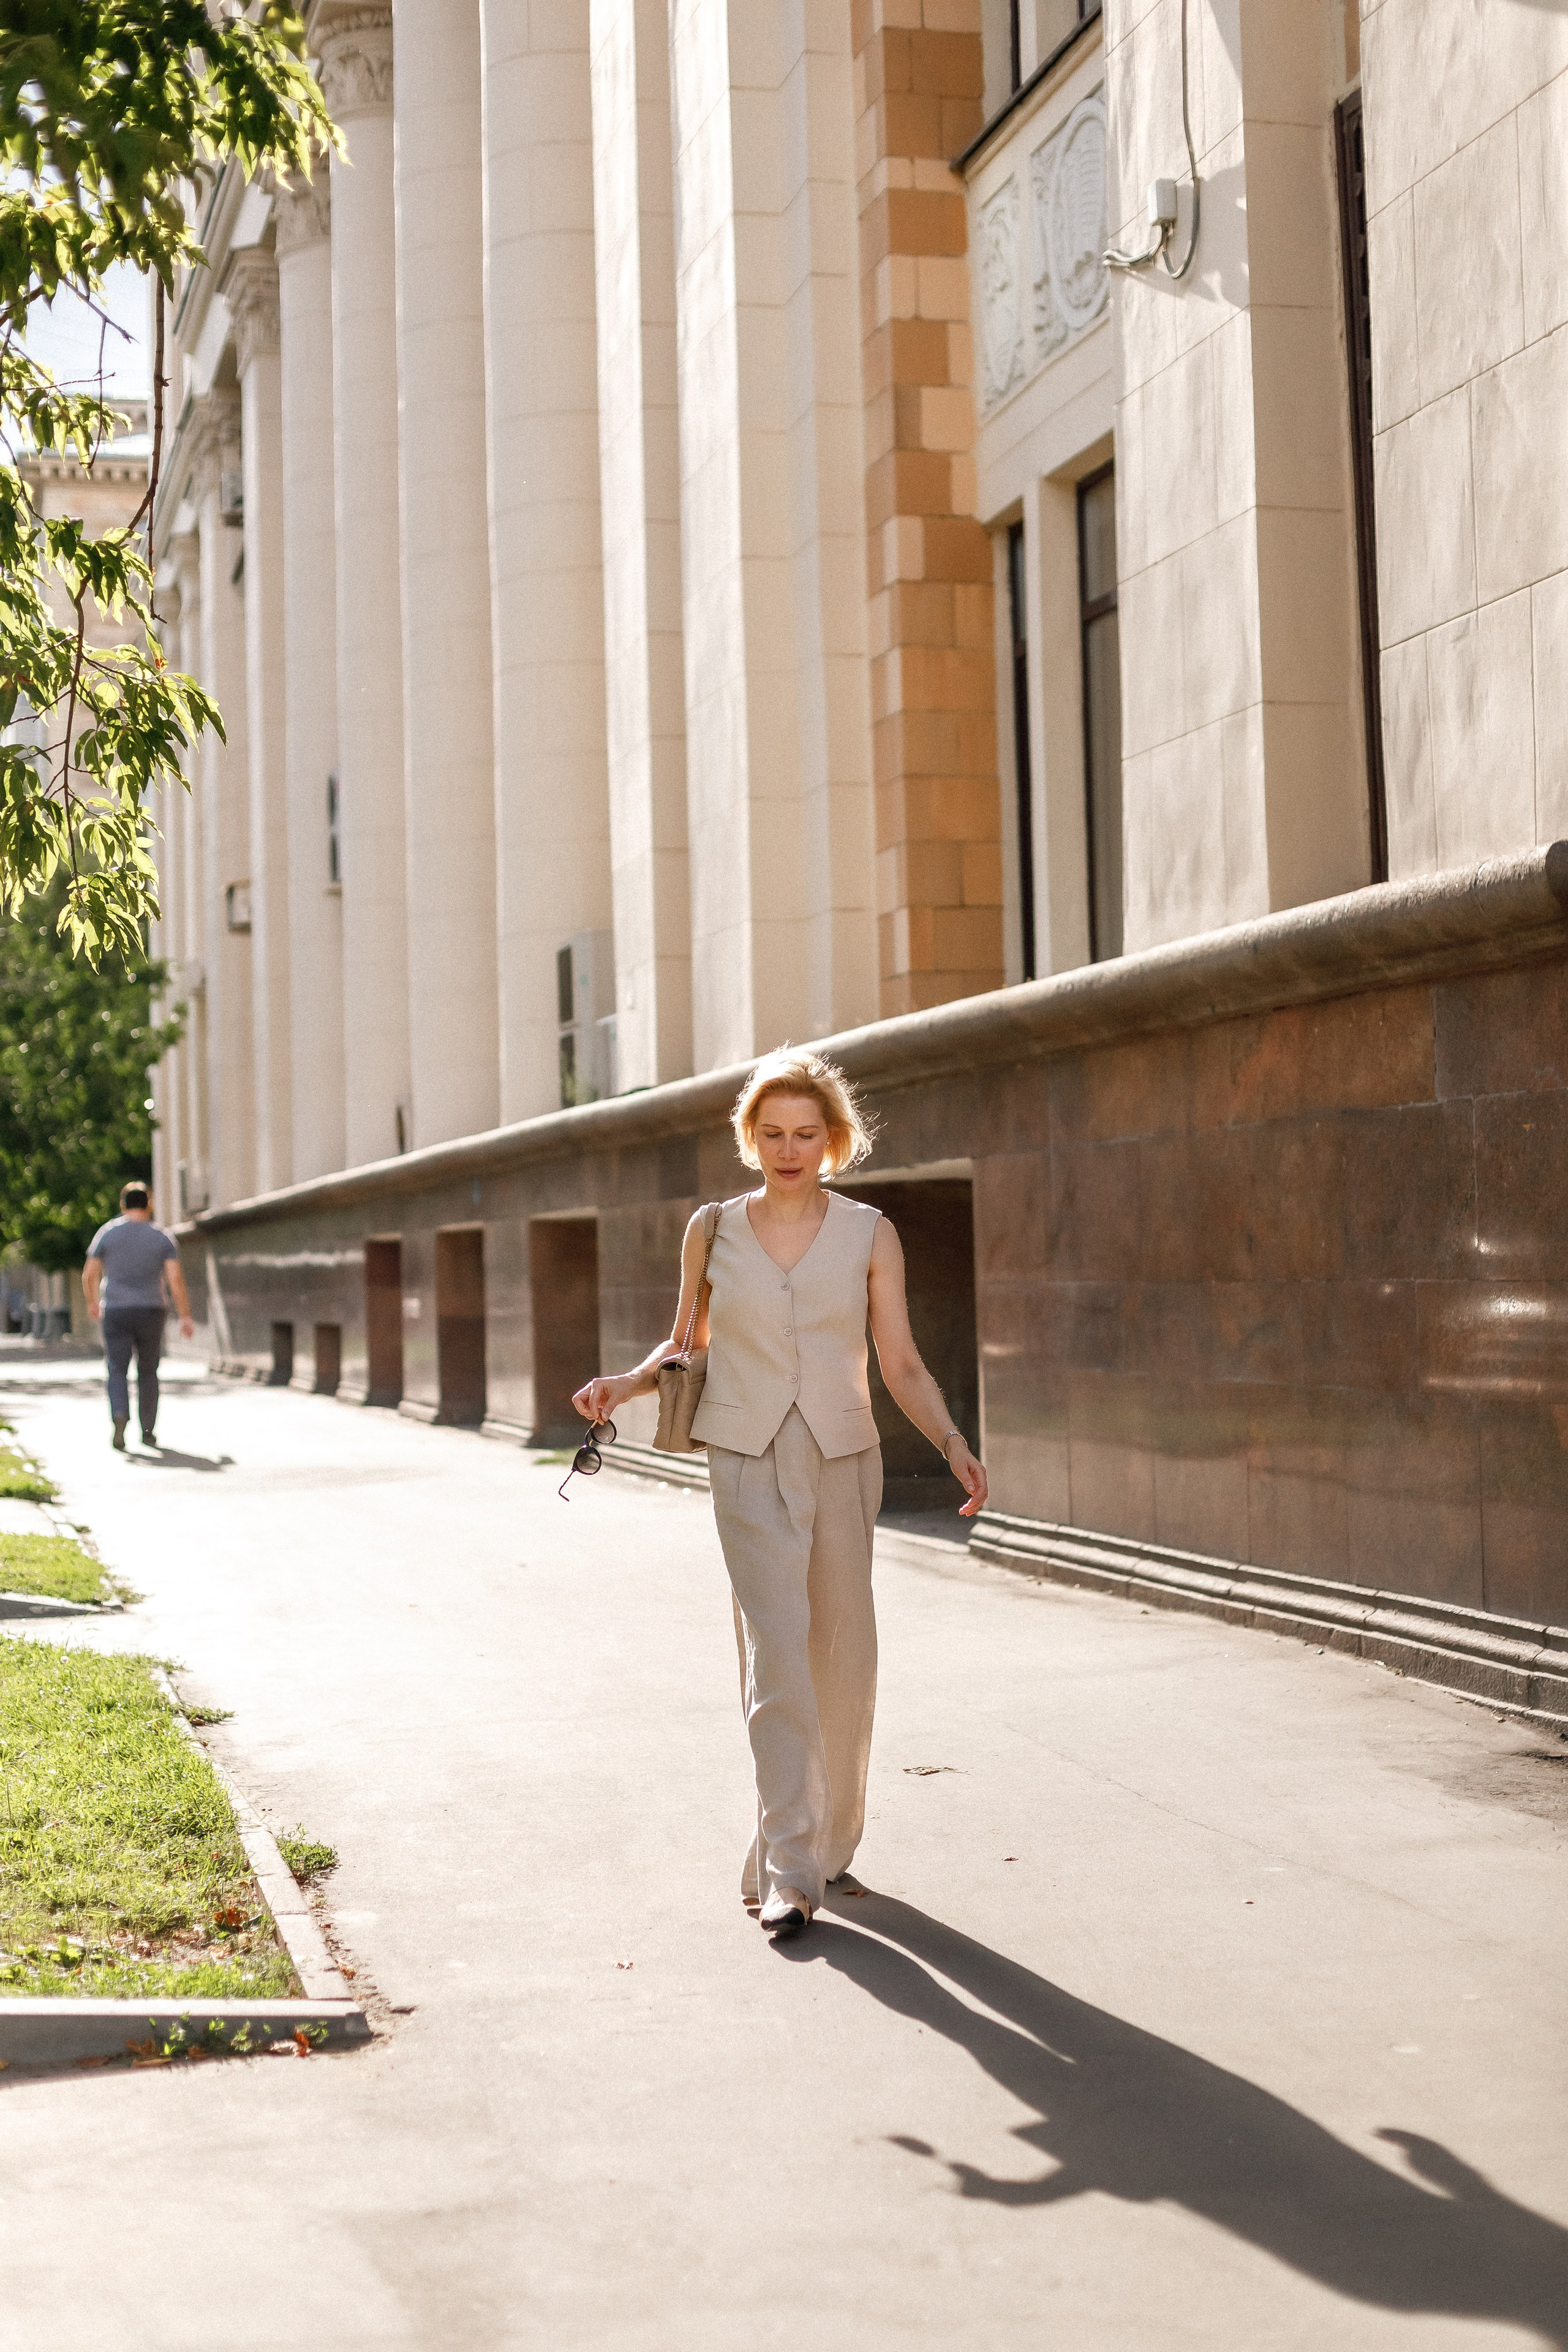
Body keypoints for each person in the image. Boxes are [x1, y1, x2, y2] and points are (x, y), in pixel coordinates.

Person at [573, 1047, 987, 1940]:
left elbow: (901, 1361)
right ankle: (792, 1870)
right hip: (744, 1457)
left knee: (842, 1654)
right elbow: (686, 1343)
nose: (788, 1149)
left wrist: (951, 1440)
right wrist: (624, 1384)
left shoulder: (870, 1231)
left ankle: (825, 1841)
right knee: (778, 1651)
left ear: (832, 1139)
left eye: (805, 1134)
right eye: (771, 1134)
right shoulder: (713, 1228)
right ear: (749, 1138)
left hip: (844, 1455)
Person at [83, 1183, 194, 1452]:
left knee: (117, 1368)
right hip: (151, 1310)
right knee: (148, 1371)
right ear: (149, 1204)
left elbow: (89, 1274)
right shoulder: (162, 1237)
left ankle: (120, 1415)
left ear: (123, 1205)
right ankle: (147, 1430)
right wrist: (185, 1315)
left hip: (116, 1310)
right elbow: (175, 1279)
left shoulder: (107, 1234)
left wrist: (93, 1303)